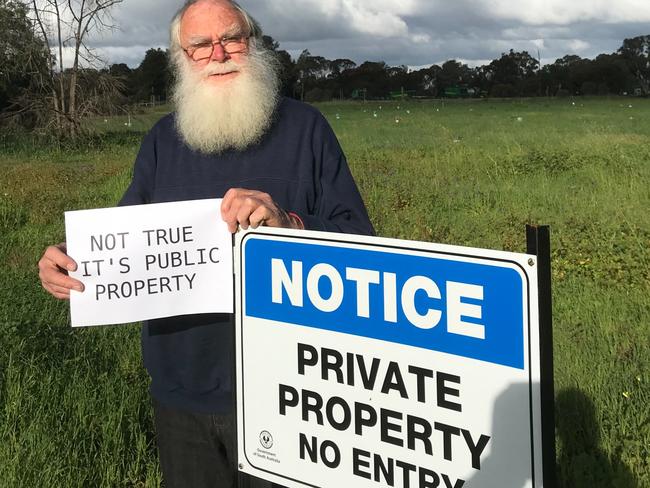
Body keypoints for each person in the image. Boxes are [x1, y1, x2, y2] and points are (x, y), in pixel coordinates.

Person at [37, 0, 374, 487]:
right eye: (200, 45)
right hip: (182, 394)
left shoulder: (307, 129)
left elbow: (361, 239)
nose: (218, 53)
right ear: (180, 55)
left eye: (231, 38)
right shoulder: (161, 141)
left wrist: (292, 224)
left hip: (292, 394)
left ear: (253, 43)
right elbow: (124, 237)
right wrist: (67, 260)